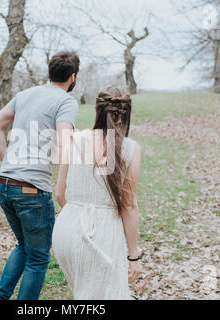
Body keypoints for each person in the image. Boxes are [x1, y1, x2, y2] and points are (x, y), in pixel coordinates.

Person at [0, 51, 80, 300]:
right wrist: (61, 189)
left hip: (4, 184)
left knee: (24, 246)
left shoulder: (24, 95)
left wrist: (8, 162)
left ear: (49, 72)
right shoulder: (66, 101)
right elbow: (64, 141)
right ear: (73, 77)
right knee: (38, 258)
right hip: (31, 190)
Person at [52, 87, 142, 300]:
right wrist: (134, 255)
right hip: (101, 234)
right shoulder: (130, 148)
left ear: (96, 111)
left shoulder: (74, 140)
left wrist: (77, 218)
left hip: (66, 230)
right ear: (127, 114)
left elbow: (59, 192)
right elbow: (128, 206)